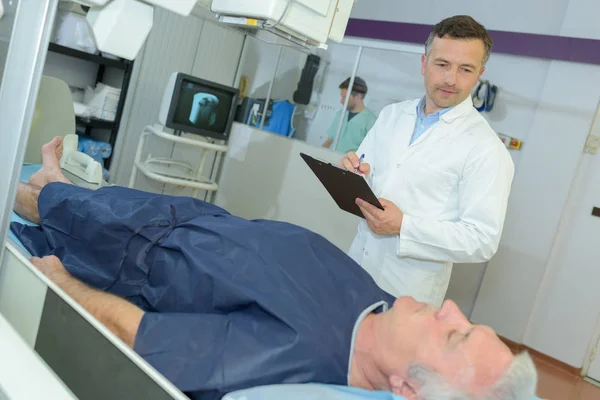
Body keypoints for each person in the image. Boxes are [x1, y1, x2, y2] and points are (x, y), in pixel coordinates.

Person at [11, 137, 536, 400]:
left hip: (143, 252)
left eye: (453, 336)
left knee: (52, 207)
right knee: (78, 199)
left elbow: (138, 335)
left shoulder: (295, 353)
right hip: (192, 223)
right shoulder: (380, 305)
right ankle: (52, 182)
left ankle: (42, 189)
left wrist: (60, 285)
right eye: (465, 321)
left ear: (407, 390)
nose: (448, 308)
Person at [340, 15, 515, 307]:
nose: (450, 79)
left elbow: (482, 240)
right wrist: (354, 175)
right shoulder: (392, 115)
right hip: (355, 265)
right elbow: (369, 176)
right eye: (442, 64)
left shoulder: (486, 149)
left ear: (479, 74)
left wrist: (404, 226)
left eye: (465, 69)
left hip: (406, 293)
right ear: (424, 63)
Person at [323, 77, 377, 154]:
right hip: (329, 158)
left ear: (358, 96)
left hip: (347, 164)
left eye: (344, 97)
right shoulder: (340, 114)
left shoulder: (371, 121)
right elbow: (329, 141)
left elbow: (370, 152)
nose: (341, 101)